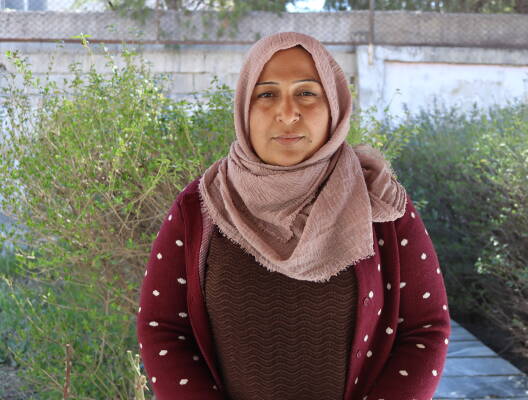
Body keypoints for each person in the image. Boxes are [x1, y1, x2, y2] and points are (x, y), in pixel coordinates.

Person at [136, 31, 451, 400]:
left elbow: (425, 328)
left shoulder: (380, 204)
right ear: (244, 107)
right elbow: (164, 328)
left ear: (334, 105)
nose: (287, 113)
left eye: (306, 93)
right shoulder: (200, 206)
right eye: (267, 94)